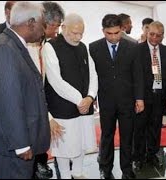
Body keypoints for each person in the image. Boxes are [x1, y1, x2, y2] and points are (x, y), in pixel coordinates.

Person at [0, 2, 49, 178]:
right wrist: (20, 144)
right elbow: (9, 99)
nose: (44, 29)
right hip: (13, 144)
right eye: (43, 23)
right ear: (31, 22)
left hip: (20, 139)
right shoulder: (5, 47)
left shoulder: (14, 45)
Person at [43, 13, 98, 179]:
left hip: (84, 106)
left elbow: (93, 74)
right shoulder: (50, 46)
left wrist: (90, 97)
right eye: (75, 33)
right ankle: (66, 175)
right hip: (62, 107)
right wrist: (79, 100)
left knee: (81, 142)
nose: (78, 36)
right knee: (64, 147)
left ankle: (78, 172)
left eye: (81, 33)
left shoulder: (83, 47)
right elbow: (55, 80)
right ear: (63, 28)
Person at [89, 14, 144, 179]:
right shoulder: (93, 48)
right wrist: (92, 97)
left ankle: (127, 170)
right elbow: (91, 76)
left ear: (122, 29)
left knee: (127, 136)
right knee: (107, 135)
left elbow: (138, 75)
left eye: (116, 33)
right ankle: (105, 169)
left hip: (127, 101)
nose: (113, 37)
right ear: (103, 31)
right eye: (109, 33)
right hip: (106, 101)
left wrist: (139, 98)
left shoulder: (133, 47)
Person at [26, 1, 65, 179]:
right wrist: (47, 116)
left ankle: (40, 163)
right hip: (31, 105)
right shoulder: (27, 45)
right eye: (56, 27)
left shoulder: (45, 43)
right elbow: (32, 87)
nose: (57, 31)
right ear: (46, 23)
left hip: (44, 100)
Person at [132, 21, 166, 170]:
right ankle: (137, 157)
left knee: (155, 127)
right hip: (143, 96)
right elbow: (135, 76)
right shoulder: (137, 49)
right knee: (140, 128)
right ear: (147, 33)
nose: (155, 38)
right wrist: (138, 97)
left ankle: (152, 154)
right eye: (152, 34)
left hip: (159, 95)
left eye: (158, 35)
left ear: (163, 36)